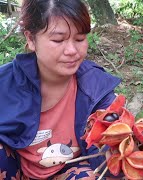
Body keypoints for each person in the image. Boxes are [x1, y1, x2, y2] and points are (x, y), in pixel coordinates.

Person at [0, 0, 121, 179]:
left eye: (80, 39)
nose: (72, 50)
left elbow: (109, 142)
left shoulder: (97, 89)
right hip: (16, 168)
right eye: (58, 40)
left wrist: (117, 149)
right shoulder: (6, 82)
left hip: (68, 170)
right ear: (31, 39)